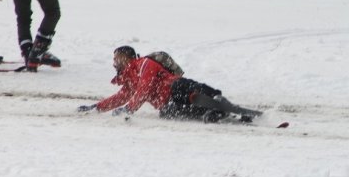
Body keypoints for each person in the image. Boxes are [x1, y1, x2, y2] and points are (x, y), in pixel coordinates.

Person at [77, 46, 257, 122]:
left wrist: (129, 109)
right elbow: (121, 97)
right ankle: (217, 112)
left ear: (128, 57)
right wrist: (96, 107)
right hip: (167, 103)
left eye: (118, 58)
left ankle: (216, 98)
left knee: (185, 88)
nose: (115, 63)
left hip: (173, 87)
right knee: (167, 113)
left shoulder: (144, 64)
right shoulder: (130, 77)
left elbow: (145, 88)